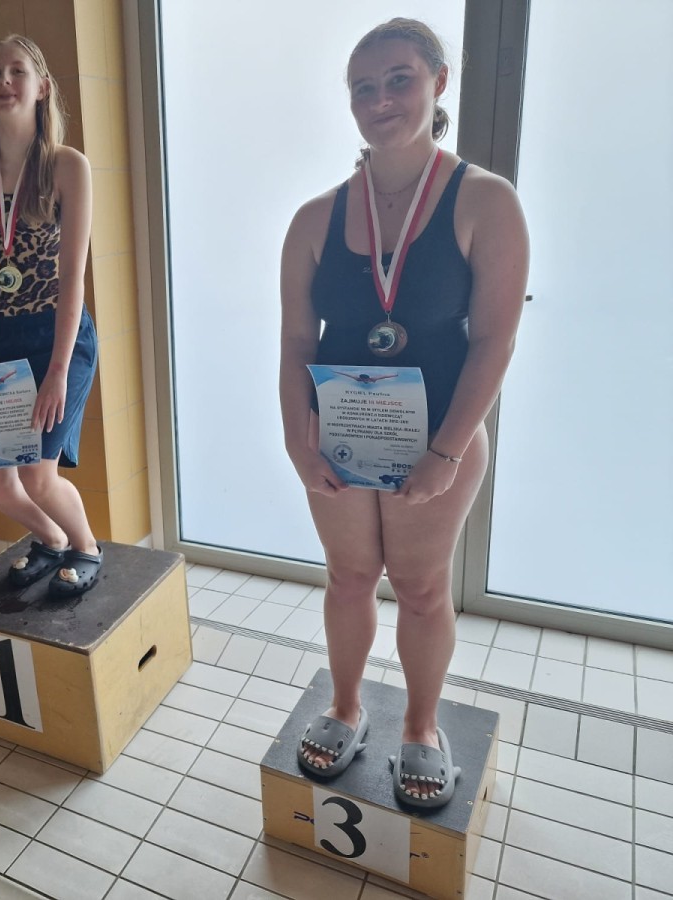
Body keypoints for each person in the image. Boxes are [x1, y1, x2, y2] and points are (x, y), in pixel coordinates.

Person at [279, 19, 527, 807]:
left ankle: (421, 726)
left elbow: (495, 340)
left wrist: (446, 451)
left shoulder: (484, 201)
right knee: (349, 577)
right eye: (364, 87)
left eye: (399, 80)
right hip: (340, 437)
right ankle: (345, 707)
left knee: (421, 589)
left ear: (438, 82)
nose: (380, 99)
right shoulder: (315, 218)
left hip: (439, 439)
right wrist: (296, 439)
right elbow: (295, 341)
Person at [0, 35, 102, 598]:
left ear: (41, 88)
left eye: (17, 71)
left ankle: (86, 547)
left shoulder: (66, 166)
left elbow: (73, 276)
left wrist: (59, 370)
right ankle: (51, 539)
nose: (5, 82)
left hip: (55, 334)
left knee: (39, 473)